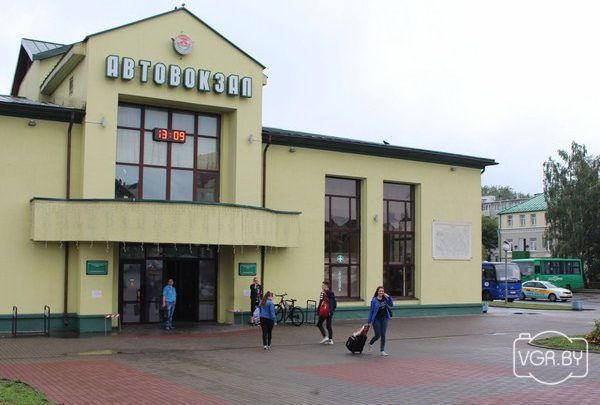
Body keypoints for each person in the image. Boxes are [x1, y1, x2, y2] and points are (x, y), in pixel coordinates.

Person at [367, 285, 394, 356]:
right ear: (377, 292)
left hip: (385, 318)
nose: (381, 292)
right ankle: (370, 343)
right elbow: (371, 311)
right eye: (380, 291)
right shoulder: (374, 300)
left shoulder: (385, 299)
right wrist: (369, 322)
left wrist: (388, 296)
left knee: (383, 334)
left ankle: (382, 350)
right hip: (376, 319)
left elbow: (391, 304)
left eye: (382, 291)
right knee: (378, 335)